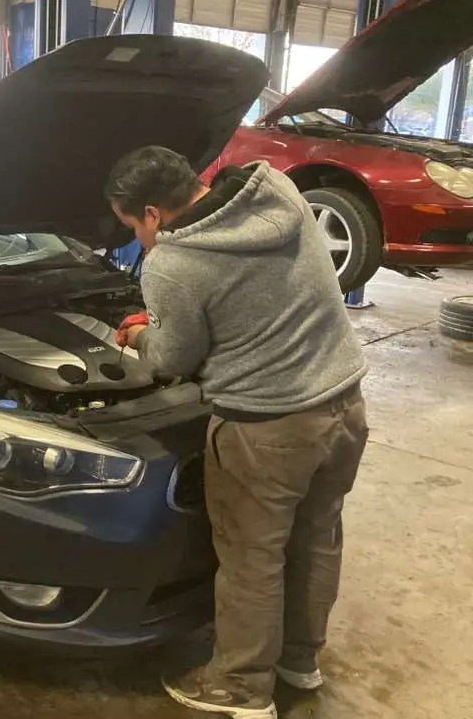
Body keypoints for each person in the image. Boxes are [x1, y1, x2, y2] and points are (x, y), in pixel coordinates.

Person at [106, 146, 368, 719]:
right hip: (344, 405)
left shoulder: (173, 264)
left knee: (253, 560)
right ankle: (299, 660)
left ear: (152, 212)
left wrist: (139, 336)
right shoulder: (277, 190)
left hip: (267, 427)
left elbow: (173, 358)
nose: (138, 240)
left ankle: (242, 688)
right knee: (316, 537)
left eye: (132, 227)